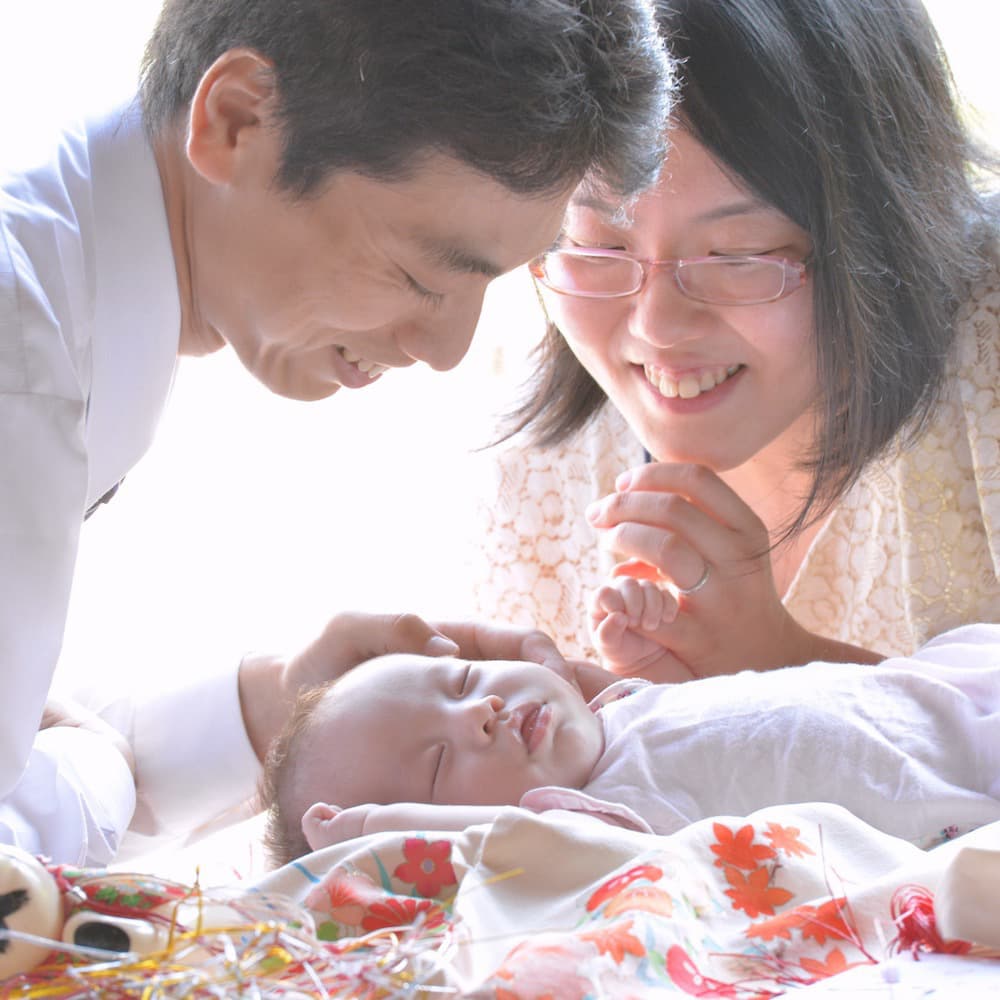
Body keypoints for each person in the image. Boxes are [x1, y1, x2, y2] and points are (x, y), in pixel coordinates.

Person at [0, 0, 672, 866]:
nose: (447, 348)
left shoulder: (79, 280)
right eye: (418, 271)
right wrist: (93, 773)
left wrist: (277, 704)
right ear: (237, 119)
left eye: (495, 283)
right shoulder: (23, 357)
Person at [470, 0, 1000, 683]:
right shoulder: (536, 481)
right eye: (599, 245)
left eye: (738, 255)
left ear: (888, 234)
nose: (656, 325)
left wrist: (784, 664)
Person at [259, 624, 1000, 868]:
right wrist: (369, 833)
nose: (480, 712)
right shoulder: (600, 820)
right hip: (967, 790)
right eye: (439, 763)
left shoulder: (613, 711)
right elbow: (525, 843)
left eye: (462, 679)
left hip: (948, 681)